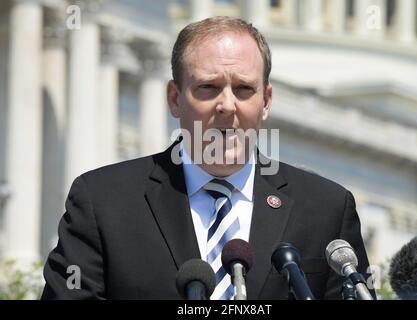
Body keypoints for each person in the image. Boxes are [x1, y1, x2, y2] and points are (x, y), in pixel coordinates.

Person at [41, 16, 374, 300]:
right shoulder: (103, 202)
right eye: (208, 88)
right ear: (174, 98)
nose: (227, 106)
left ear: (266, 101)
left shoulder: (325, 209)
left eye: (244, 89)